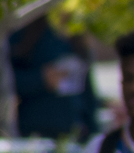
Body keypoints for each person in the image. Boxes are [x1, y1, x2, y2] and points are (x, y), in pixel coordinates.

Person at [7, 11, 98, 142]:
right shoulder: (27, 29)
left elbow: (88, 94)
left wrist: (93, 135)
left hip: (73, 134)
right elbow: (7, 82)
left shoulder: (76, 33)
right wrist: (41, 79)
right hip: (34, 135)